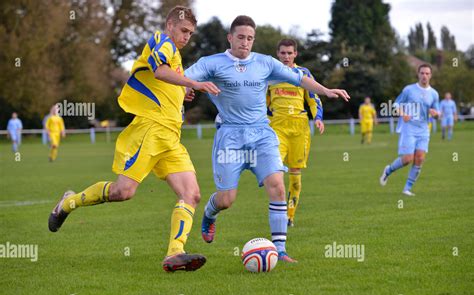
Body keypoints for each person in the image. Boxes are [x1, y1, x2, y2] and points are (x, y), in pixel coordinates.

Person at [48, 6, 220, 273]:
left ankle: (175, 254)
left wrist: (181, 91)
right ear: (170, 25)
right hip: (150, 132)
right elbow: (160, 71)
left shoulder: (175, 55)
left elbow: (162, 81)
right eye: (184, 30)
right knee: (123, 192)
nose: (187, 37)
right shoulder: (161, 41)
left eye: (191, 33)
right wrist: (195, 84)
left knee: (192, 194)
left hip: (171, 138)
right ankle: (68, 202)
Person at [185, 15, 349, 263]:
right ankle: (209, 214)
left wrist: (324, 90)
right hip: (230, 136)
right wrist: (187, 87)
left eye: (250, 38)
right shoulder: (212, 63)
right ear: (230, 38)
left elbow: (298, 78)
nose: (245, 42)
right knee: (227, 199)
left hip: (262, 134)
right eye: (241, 37)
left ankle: (280, 250)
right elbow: (184, 76)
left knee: (278, 185)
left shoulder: (265, 63)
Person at [266, 38, 324, 227]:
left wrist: (318, 117)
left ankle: (289, 216)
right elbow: (261, 102)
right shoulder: (270, 75)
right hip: (277, 127)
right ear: (278, 53)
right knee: (274, 170)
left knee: (295, 177)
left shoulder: (303, 73)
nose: (286, 56)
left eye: (290, 53)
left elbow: (314, 98)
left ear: (295, 54)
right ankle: (278, 209)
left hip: (299, 129)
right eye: (283, 53)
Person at [379, 64, 439, 196]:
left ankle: (407, 189)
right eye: (422, 73)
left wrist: (436, 114)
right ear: (418, 74)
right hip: (409, 129)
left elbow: (437, 112)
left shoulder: (434, 94)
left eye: (427, 73)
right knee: (407, 159)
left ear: (431, 75)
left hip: (424, 129)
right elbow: (396, 104)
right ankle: (388, 170)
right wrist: (403, 114)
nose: (424, 76)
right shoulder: (409, 90)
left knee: (420, 159)